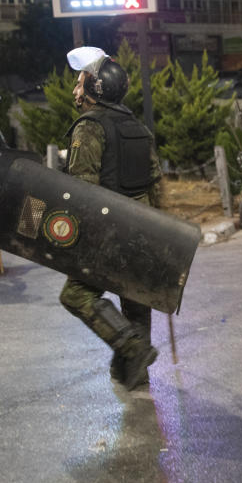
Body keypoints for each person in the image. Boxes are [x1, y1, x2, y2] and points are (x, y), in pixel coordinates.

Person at [60, 46, 162, 391]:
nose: (76, 90)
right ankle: (134, 369)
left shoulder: (89, 126)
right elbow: (155, 182)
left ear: (94, 88)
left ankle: (133, 350)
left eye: (80, 82)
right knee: (134, 296)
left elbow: (83, 191)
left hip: (108, 228)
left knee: (76, 294)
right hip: (141, 225)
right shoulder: (137, 127)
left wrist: (78, 239)